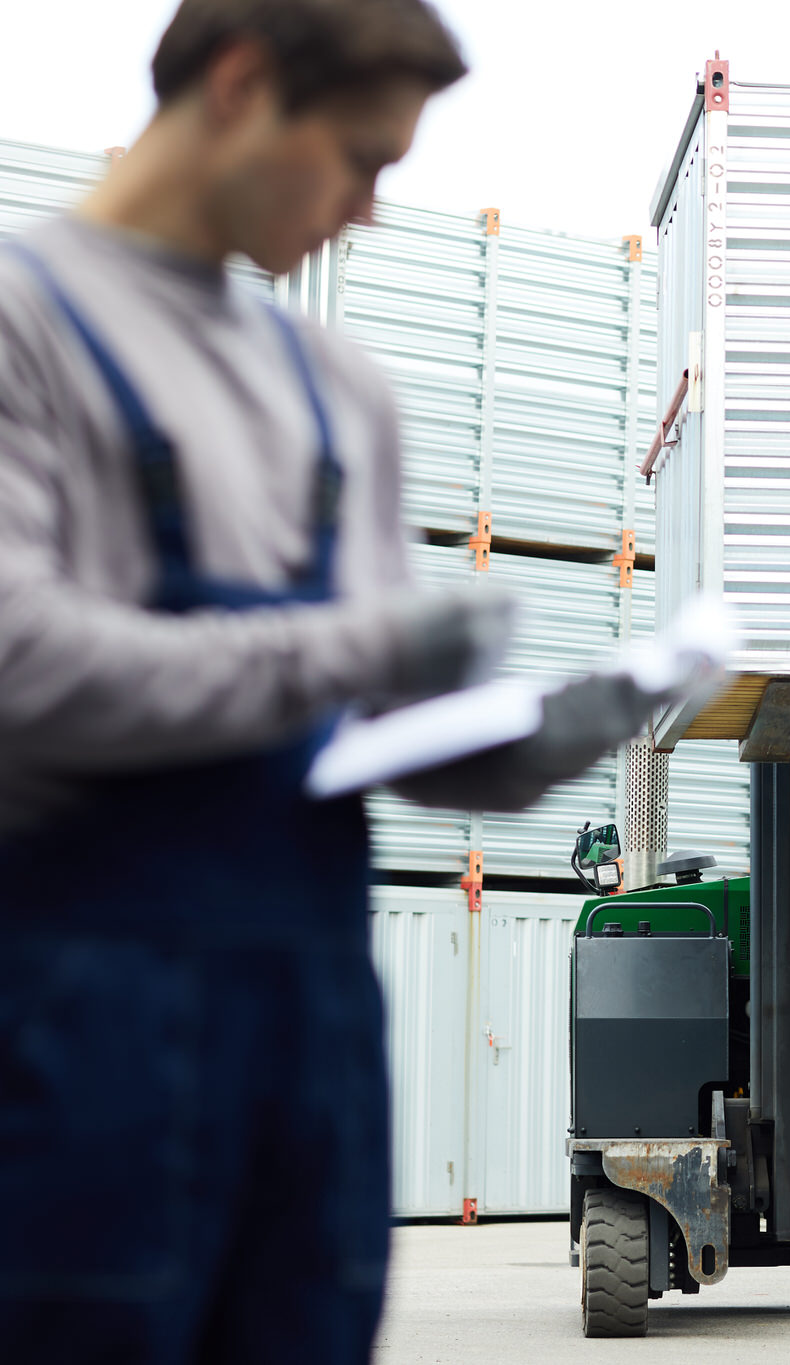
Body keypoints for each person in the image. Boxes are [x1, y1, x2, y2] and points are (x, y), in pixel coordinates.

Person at [0, 3, 666, 1359]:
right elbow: (25, 663)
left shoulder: (334, 389)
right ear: (241, 86)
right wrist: (366, 649)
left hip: (309, 1028)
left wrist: (521, 742)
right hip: (74, 1022)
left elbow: (359, 730)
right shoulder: (29, 323)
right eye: (359, 159)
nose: (366, 209)